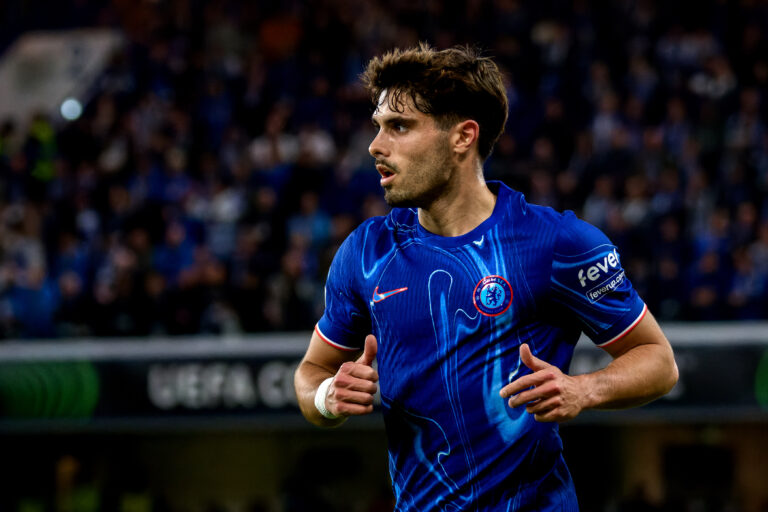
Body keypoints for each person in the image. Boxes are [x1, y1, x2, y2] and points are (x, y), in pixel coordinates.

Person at [294, 44, 678, 512]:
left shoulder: (557, 242)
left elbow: (658, 361)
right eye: (377, 128)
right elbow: (309, 374)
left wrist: (584, 389)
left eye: (399, 127)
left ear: (463, 137)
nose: (376, 145)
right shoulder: (365, 252)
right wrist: (329, 397)